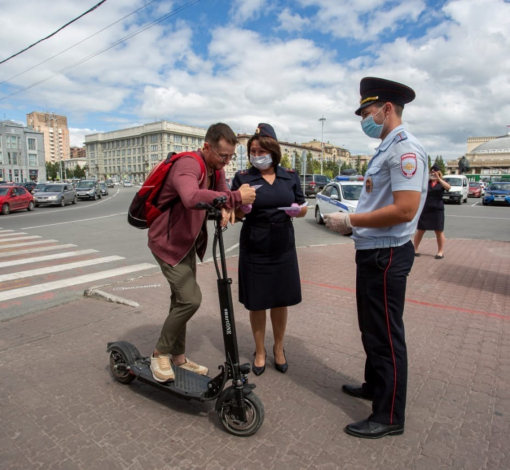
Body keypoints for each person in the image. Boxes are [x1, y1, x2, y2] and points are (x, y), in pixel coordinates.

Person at [324, 77, 428, 439]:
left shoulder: (404, 150)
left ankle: (388, 414)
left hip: (386, 254)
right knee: (371, 327)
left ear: (387, 109)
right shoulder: (387, 148)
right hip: (372, 251)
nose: (364, 120)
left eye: (367, 112)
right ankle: (375, 385)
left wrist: (350, 219)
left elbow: (404, 210)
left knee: (385, 334)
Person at [147, 123, 256, 383]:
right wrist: (235, 198)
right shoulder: (188, 164)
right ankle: (159, 354)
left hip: (186, 243)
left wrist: (230, 208)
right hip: (167, 243)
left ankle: (178, 358)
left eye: (231, 157)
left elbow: (220, 197)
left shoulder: (213, 168)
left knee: (180, 301)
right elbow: (190, 196)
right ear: (207, 147)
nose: (227, 162)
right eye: (223, 156)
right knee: (190, 300)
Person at [231, 123, 307, 376]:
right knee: (258, 302)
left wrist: (299, 210)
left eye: (261, 150)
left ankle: (279, 349)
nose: (256, 155)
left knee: (280, 300)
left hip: (283, 243)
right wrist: (242, 209)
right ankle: (260, 350)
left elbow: (303, 205)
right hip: (255, 244)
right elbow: (233, 213)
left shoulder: (290, 175)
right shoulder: (243, 177)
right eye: (252, 151)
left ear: (273, 150)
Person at [413, 164, 451, 259]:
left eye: (435, 172)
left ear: (439, 173)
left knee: (439, 231)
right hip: (426, 208)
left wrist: (439, 179)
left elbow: (448, 187)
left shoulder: (441, 183)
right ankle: (415, 249)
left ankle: (440, 252)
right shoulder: (426, 183)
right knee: (421, 230)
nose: (433, 174)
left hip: (437, 209)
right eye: (431, 172)